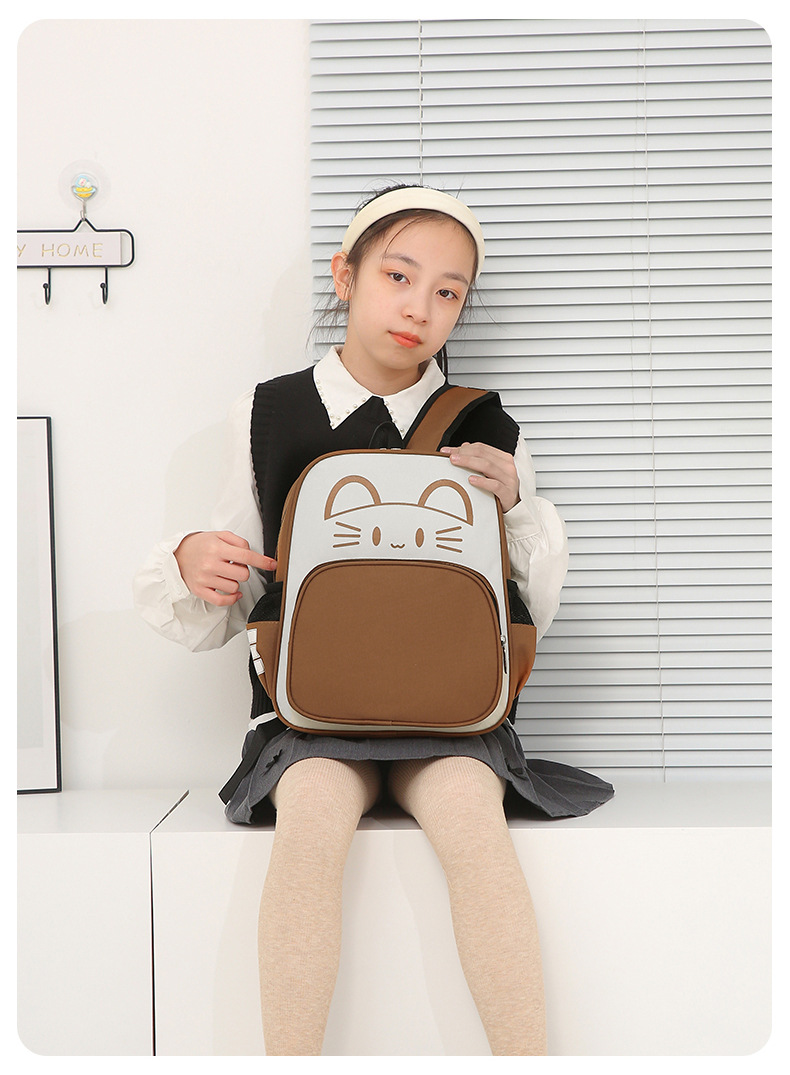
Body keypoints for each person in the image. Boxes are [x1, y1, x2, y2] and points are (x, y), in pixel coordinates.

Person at [134, 184, 614, 1056]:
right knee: (312, 817)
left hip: (453, 715)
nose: (420, 306)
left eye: (448, 291)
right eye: (399, 275)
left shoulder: (488, 425)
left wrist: (513, 505)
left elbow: (529, 604)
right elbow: (240, 574)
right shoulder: (270, 411)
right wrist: (192, 559)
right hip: (310, 716)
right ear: (346, 276)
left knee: (471, 820)